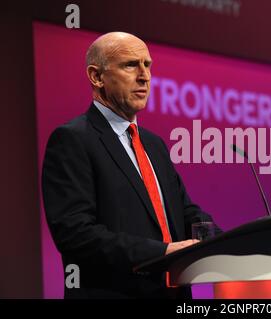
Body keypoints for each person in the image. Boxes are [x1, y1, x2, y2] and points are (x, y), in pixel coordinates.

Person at [42, 32, 221, 299]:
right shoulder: (72, 140)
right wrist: (160, 253)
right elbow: (76, 235)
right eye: (130, 65)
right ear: (97, 76)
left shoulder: (154, 144)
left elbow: (185, 212)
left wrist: (229, 242)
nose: (144, 76)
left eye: (147, 65)